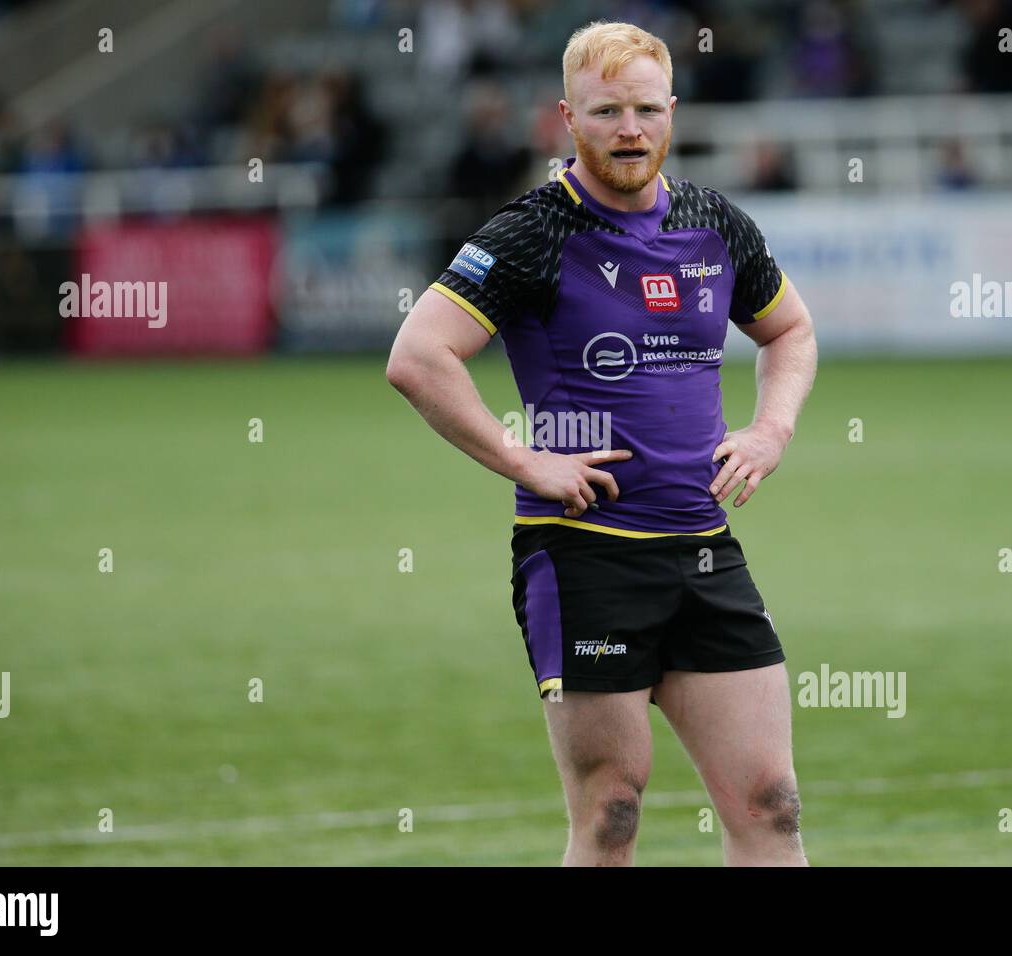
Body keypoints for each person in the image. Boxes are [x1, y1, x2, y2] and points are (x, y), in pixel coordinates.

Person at [386, 21, 818, 866]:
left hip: (703, 551)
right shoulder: (531, 233)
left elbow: (790, 330)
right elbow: (416, 356)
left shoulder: (712, 222)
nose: (630, 129)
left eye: (647, 109)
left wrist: (771, 428)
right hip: (584, 554)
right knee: (611, 811)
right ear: (566, 118)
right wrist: (521, 458)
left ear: (672, 112)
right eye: (608, 111)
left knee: (772, 804)